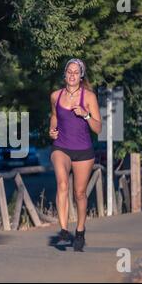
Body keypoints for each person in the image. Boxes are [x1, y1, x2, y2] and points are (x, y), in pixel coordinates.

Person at [49, 58, 102, 252]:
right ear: (65, 74)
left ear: (81, 76)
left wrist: (85, 115)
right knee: (62, 183)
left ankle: (80, 230)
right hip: (61, 147)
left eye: (76, 72)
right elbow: (54, 117)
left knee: (79, 193)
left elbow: (98, 128)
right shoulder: (55, 96)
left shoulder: (89, 97)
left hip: (83, 151)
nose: (72, 75)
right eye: (69, 72)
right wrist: (52, 130)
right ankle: (63, 229)